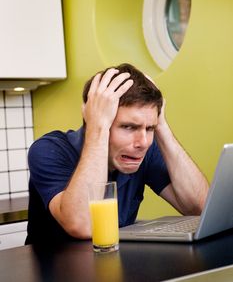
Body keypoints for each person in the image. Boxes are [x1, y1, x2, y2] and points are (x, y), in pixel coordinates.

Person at [25, 63, 209, 245]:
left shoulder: (141, 150)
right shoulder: (49, 150)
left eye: (149, 128)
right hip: (55, 272)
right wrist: (97, 127)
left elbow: (201, 208)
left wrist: (161, 126)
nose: (143, 142)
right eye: (129, 127)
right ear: (96, 119)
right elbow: (82, 225)